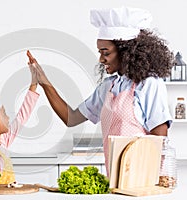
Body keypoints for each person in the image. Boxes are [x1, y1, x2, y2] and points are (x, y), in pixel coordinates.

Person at [28, 7, 174, 176]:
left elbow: (159, 136)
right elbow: (71, 118)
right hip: (116, 181)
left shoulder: (148, 84)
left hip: (143, 179)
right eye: (100, 52)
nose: (101, 59)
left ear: (127, 52)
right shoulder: (108, 87)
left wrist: (149, 179)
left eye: (106, 53)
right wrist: (43, 80)